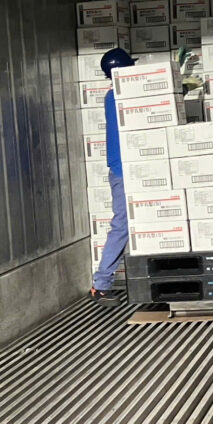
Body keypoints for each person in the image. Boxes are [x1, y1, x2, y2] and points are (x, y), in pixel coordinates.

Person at [90, 47, 136, 307]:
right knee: (122, 225)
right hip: (124, 172)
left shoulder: (115, 95)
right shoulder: (120, 95)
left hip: (127, 170)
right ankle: (101, 284)